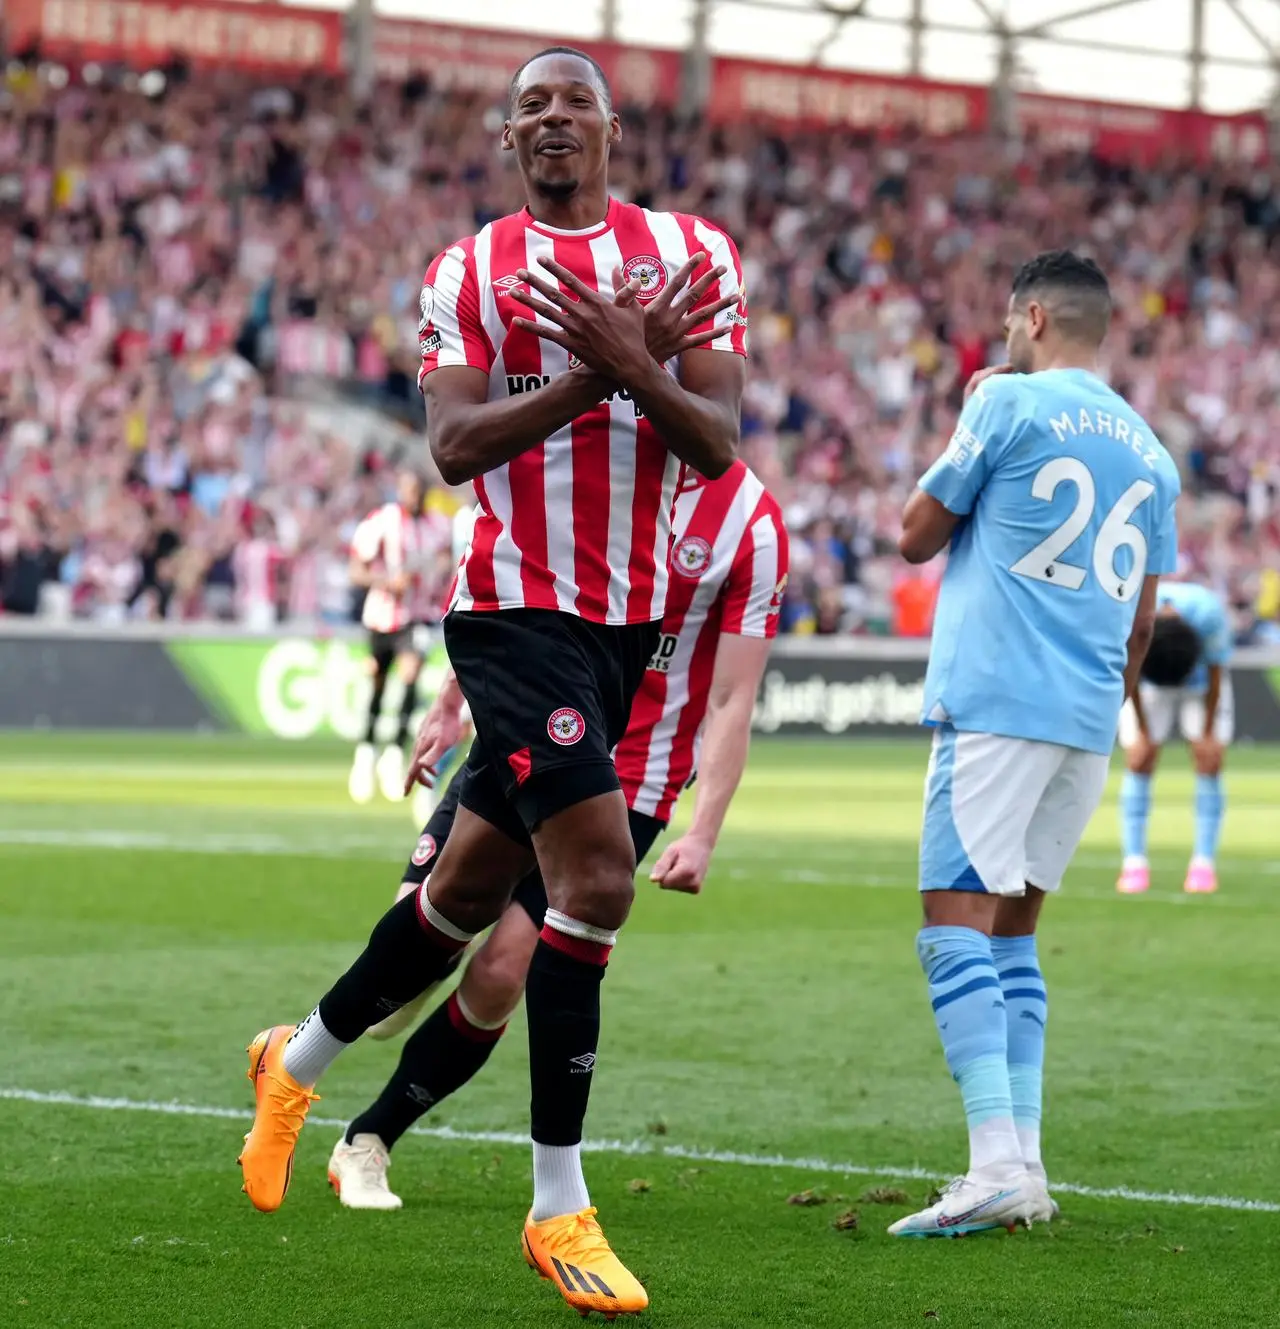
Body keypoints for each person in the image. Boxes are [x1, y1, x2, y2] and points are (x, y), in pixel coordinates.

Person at [237, 46, 748, 1320]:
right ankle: (556, 1206)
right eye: (531, 105)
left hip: (623, 624)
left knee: (464, 889)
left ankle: (293, 1061)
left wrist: (633, 361)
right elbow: (455, 447)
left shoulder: (693, 256)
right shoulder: (467, 271)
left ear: (613, 127)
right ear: (503, 137)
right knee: (592, 881)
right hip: (513, 611)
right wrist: (600, 373)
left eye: (574, 99)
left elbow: (717, 440)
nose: (553, 117)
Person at [326, 459, 788, 1208]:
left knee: (505, 969)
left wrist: (704, 831)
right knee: (412, 954)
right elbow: (509, 576)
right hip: (525, 730)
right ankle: (308, 1051)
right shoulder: (598, 454)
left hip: (630, 780)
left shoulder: (751, 523)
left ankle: (369, 1138)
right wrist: (452, 698)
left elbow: (735, 696)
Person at [891, 251, 1180, 1237]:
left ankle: (989, 1167)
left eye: (1007, 327)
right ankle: (1025, 1166)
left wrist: (973, 406)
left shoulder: (1006, 403)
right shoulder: (1152, 455)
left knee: (950, 929)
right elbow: (1140, 625)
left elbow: (913, 533)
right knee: (1013, 935)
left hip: (995, 704)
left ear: (1029, 319)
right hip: (1086, 721)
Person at [1116, 581, 1233, 895]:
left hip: (1201, 685)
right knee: (1139, 760)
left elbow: (1216, 671)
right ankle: (1134, 864)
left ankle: (1203, 865)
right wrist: (1142, 731)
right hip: (1149, 681)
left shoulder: (1208, 613)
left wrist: (1208, 734)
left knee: (1209, 761)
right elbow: (1133, 673)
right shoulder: (1133, 614)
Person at [347, 468, 449, 804]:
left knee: (410, 674)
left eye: (419, 490)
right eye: (409, 489)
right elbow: (357, 569)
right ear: (400, 490)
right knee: (377, 679)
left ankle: (393, 753)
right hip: (382, 616)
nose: (414, 496)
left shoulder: (437, 526)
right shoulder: (383, 521)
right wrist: (386, 583)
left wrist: (441, 568)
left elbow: (446, 558)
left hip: (417, 617)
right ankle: (366, 751)